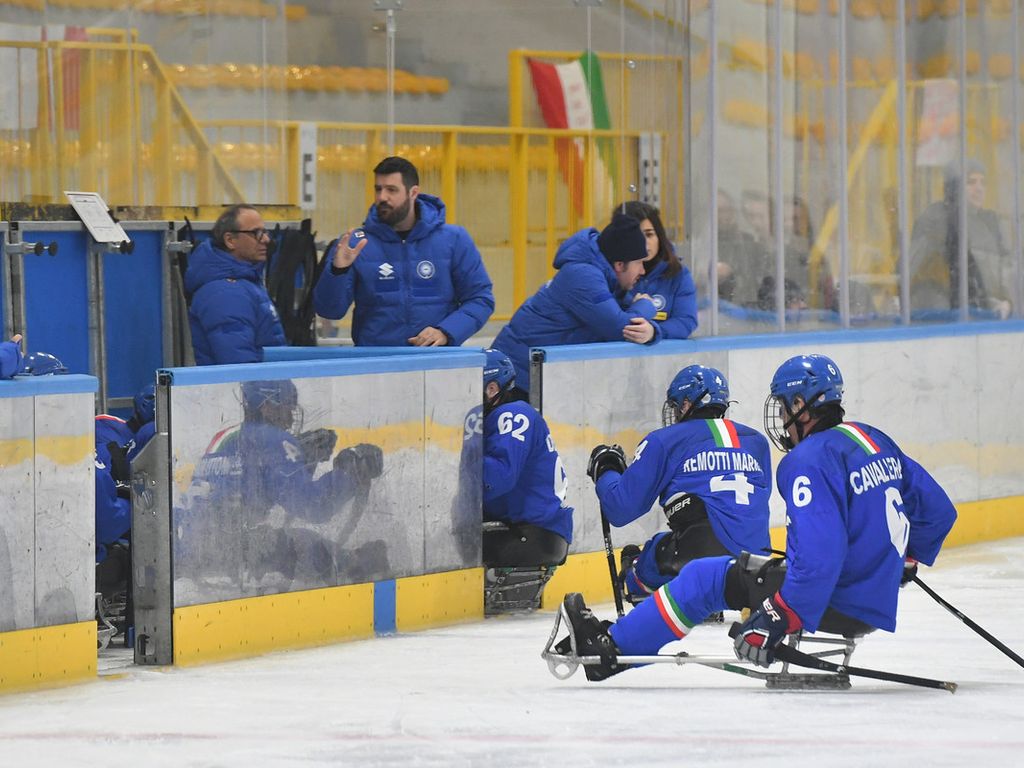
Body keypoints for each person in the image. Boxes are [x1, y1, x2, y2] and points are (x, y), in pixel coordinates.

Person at [556, 353, 957, 682]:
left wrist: (781, 613)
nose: (781, 418)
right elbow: (939, 513)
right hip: (870, 598)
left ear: (800, 406)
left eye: (783, 406)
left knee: (703, 578)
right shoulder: (872, 438)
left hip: (831, 598)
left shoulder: (807, 460)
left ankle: (610, 650)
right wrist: (905, 561)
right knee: (729, 570)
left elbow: (820, 555)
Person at [586, 364, 771, 604]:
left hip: (699, 557)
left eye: (675, 406)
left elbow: (620, 509)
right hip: (758, 565)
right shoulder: (757, 442)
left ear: (685, 404)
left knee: (645, 559)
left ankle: (646, 588)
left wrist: (606, 470)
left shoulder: (665, 441)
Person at [313, 156, 495, 346]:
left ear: (413, 192)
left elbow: (480, 299)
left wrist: (446, 332)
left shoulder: (454, 239)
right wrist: (338, 271)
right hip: (376, 360)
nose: (382, 197)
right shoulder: (356, 244)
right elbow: (329, 311)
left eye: (391, 190)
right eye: (378, 189)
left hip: (436, 358)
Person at [492, 212, 660, 393]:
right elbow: (620, 328)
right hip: (513, 378)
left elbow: (630, 320)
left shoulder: (603, 278)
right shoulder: (583, 276)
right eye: (639, 263)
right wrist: (647, 306)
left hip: (531, 376)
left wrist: (652, 332)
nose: (643, 271)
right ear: (619, 264)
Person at [482, 349, 572, 567]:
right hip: (531, 530)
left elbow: (497, 479)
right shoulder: (505, 415)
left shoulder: (513, 414)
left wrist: (456, 458)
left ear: (492, 388)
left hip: (528, 534)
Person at [909, 159, 1013, 318]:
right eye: (971, 182)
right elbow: (921, 269)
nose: (979, 188)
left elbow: (1004, 269)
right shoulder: (936, 219)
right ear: (954, 187)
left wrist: (1005, 301)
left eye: (983, 182)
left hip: (983, 312)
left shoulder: (989, 222)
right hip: (943, 312)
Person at [184, 204, 286, 365]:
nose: (266, 240)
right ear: (230, 240)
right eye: (256, 233)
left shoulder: (245, 284)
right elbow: (238, 362)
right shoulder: (225, 293)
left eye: (265, 232)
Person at [615, 201, 697, 339]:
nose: (644, 243)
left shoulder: (678, 273)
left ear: (659, 236)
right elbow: (607, 321)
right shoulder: (613, 272)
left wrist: (654, 332)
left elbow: (686, 321)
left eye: (649, 235)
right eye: (636, 235)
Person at [716, 189, 766, 308]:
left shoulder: (748, 241)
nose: (724, 215)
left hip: (744, 307)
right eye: (719, 211)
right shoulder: (700, 242)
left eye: (728, 210)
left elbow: (756, 280)